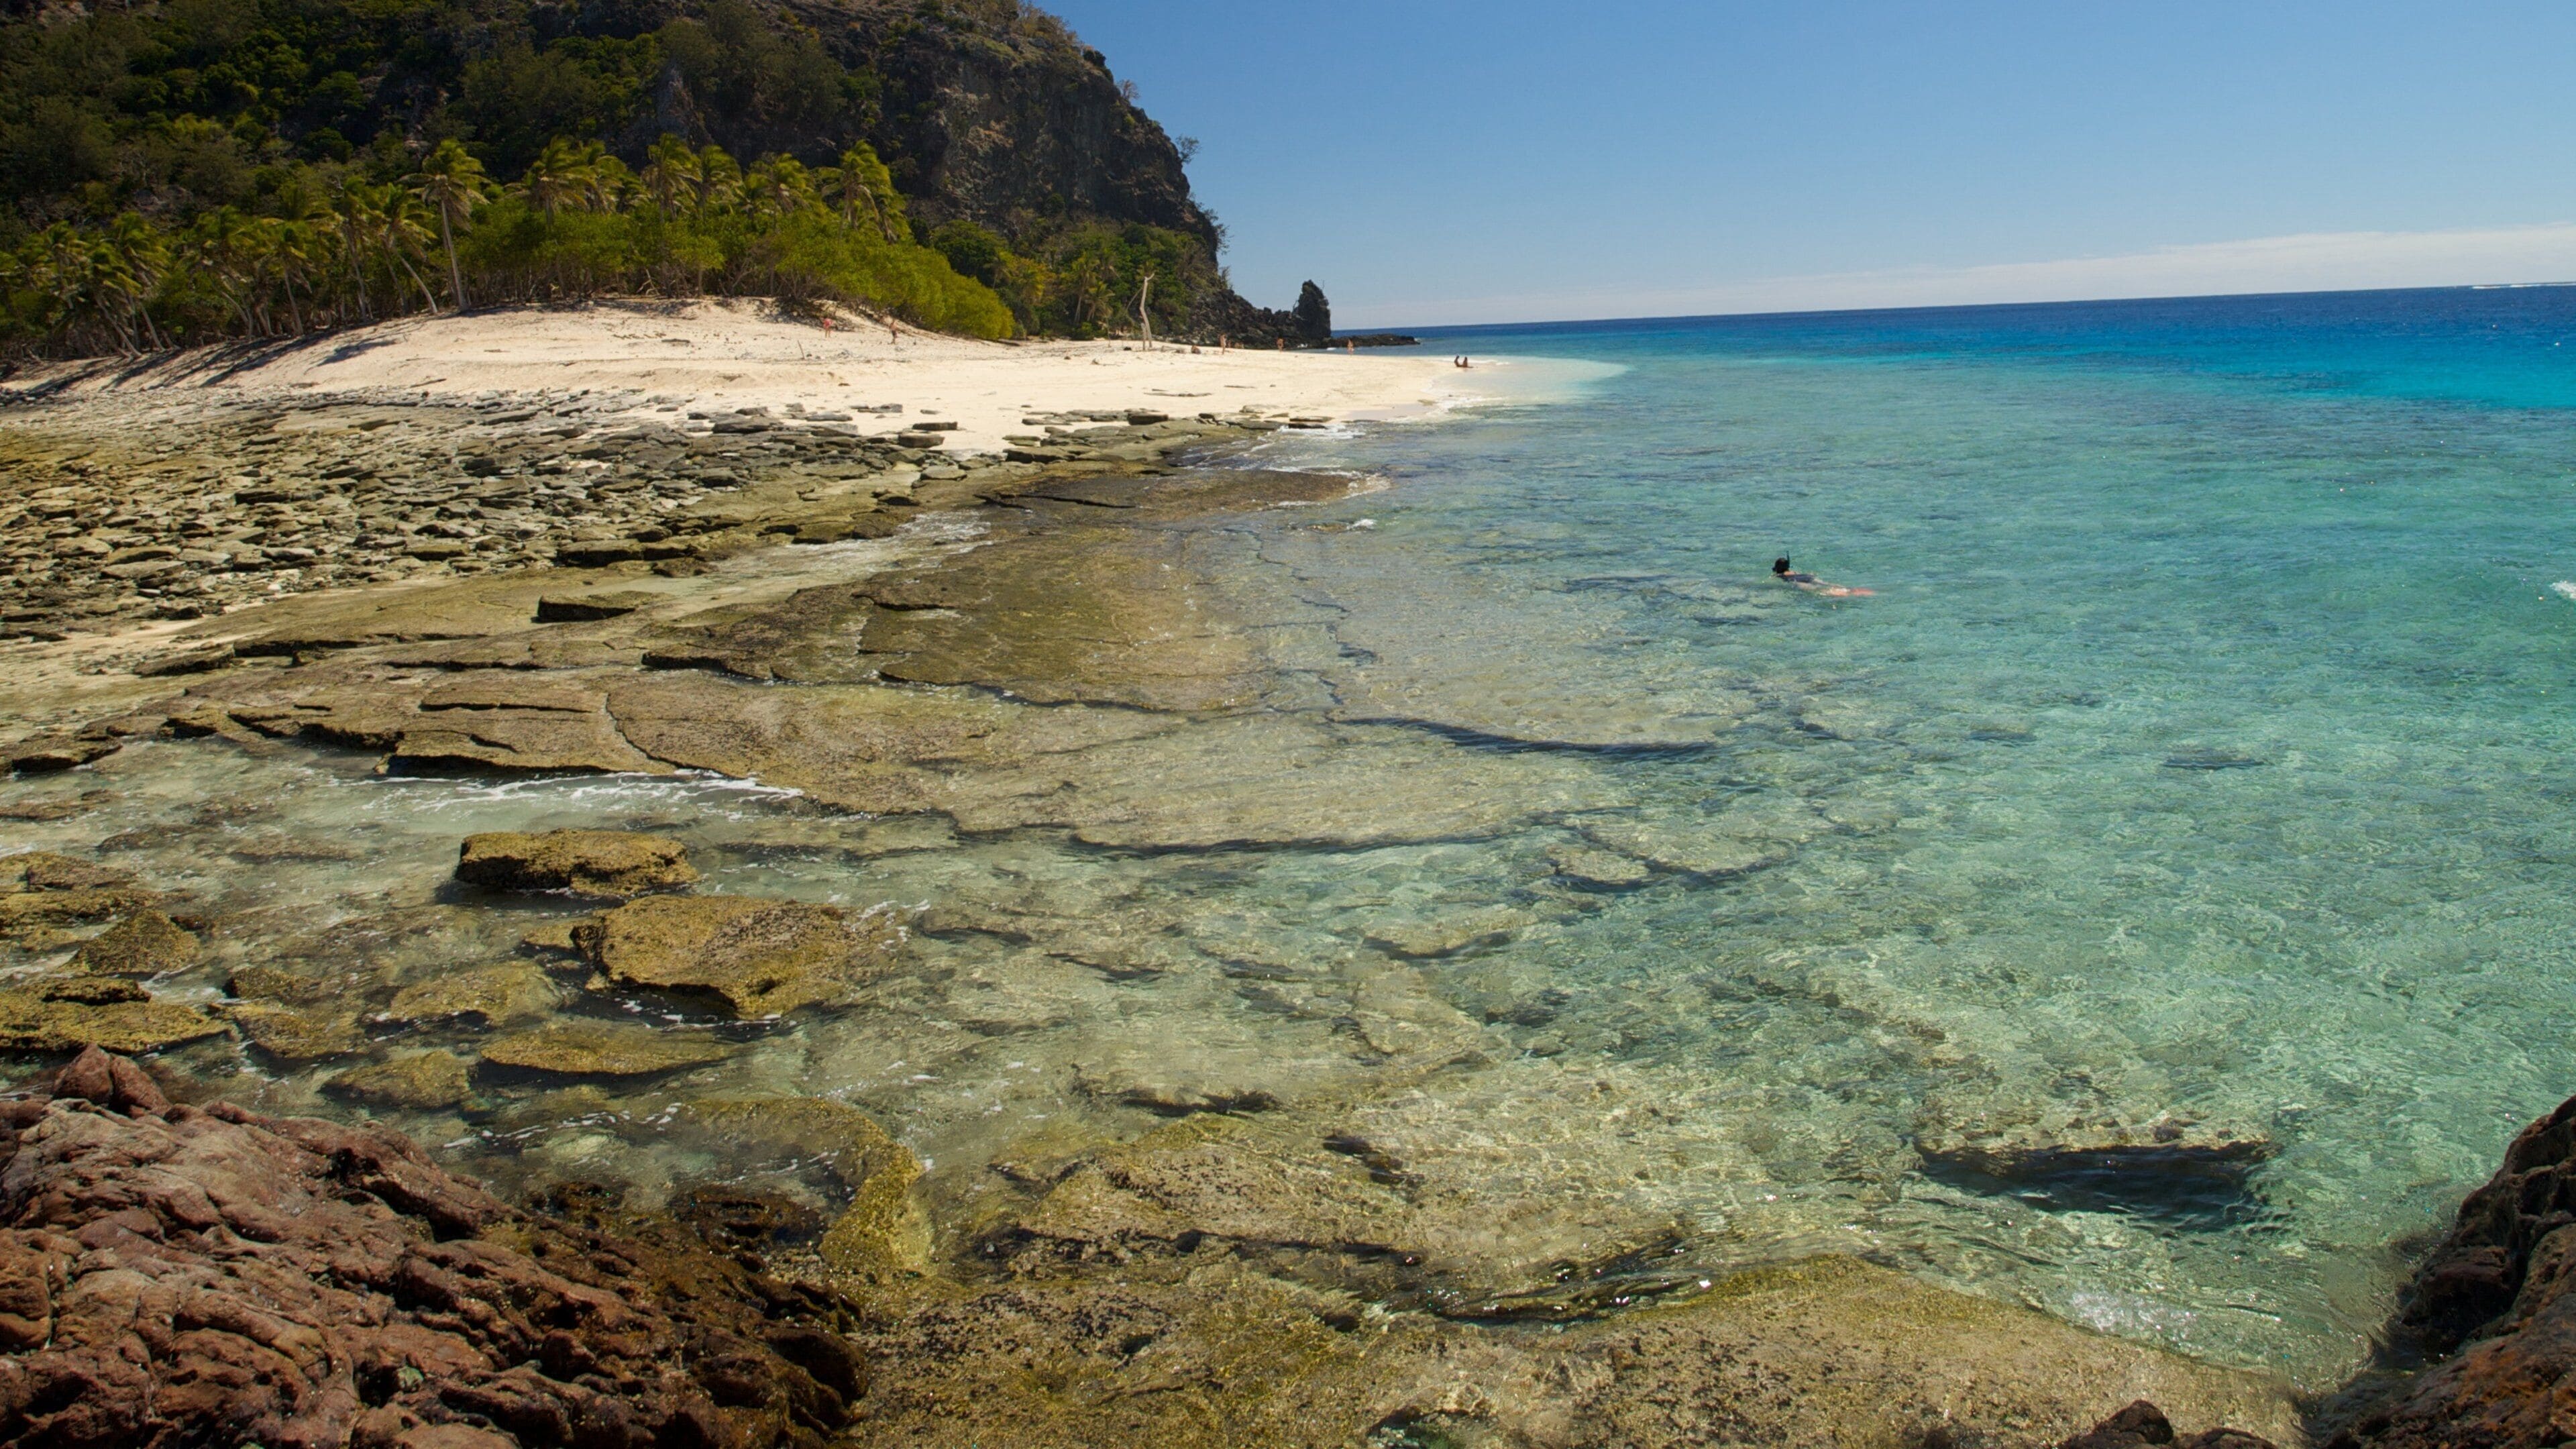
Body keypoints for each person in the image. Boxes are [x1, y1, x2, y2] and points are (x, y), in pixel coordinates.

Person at [1772, 555, 1874, 597]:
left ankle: (1837, 593)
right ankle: (1847, 589)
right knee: (1825, 584)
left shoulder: (1778, 575)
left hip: (1797, 581)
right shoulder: (1794, 571)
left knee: (1816, 590)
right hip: (1807, 577)